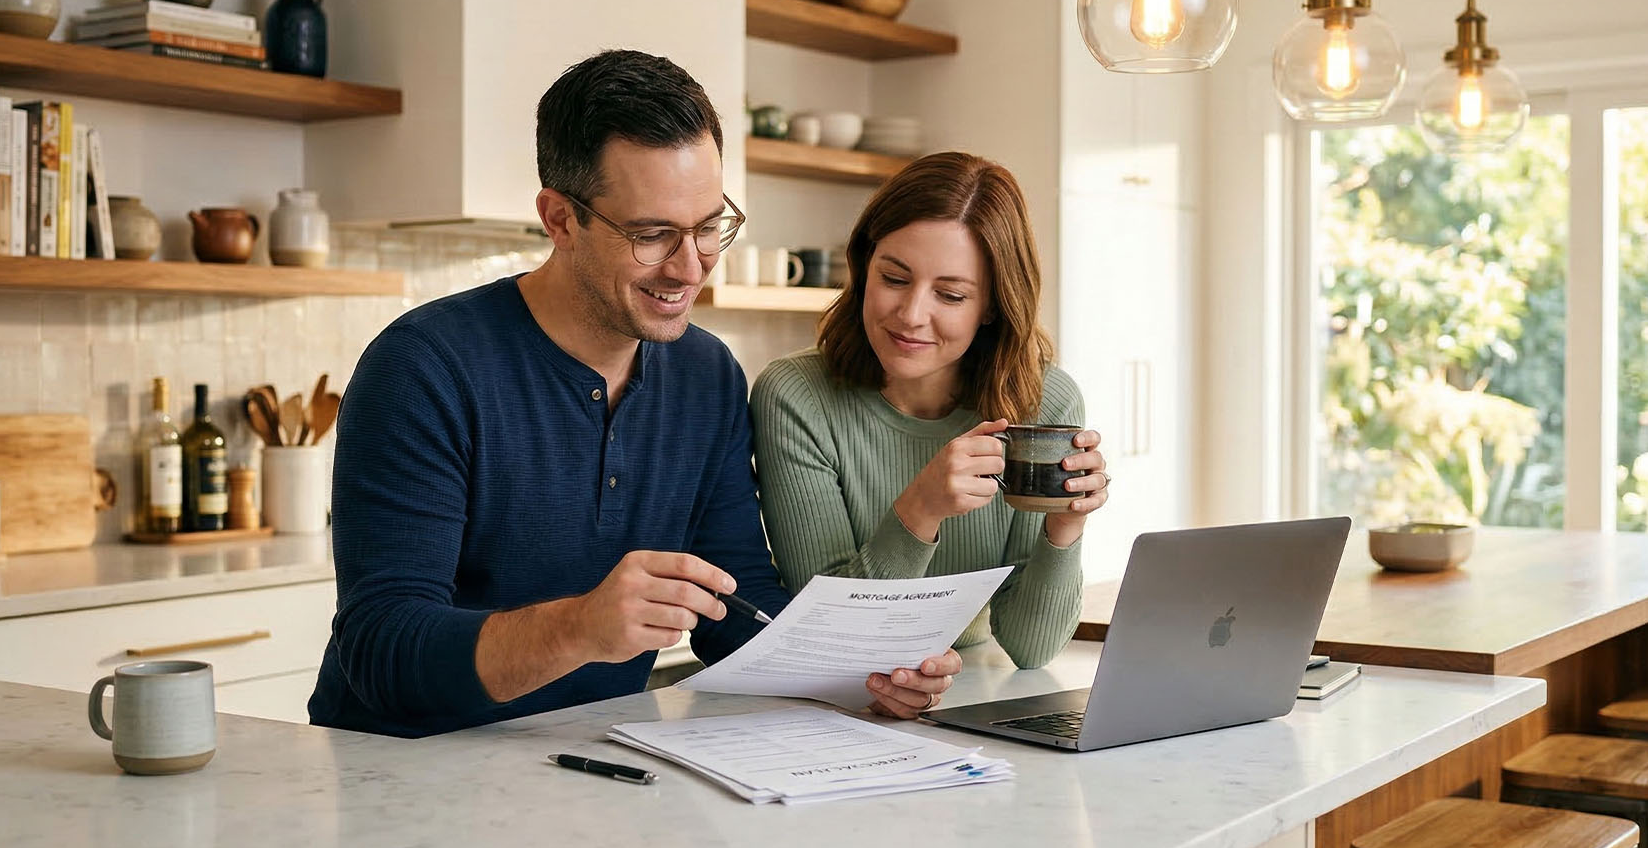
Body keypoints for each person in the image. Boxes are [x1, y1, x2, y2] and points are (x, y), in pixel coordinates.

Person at [308, 50, 958, 737]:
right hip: (402, 779)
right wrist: (578, 627)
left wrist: (861, 677)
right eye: (652, 235)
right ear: (560, 219)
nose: (690, 266)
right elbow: (382, 650)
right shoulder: (423, 368)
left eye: (710, 227)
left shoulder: (706, 375)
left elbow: (734, 605)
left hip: (589, 762)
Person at [751, 151, 1109, 671]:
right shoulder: (797, 397)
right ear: (862, 267)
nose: (912, 315)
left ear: (991, 306)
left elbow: (1031, 650)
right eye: (894, 279)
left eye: (950, 294)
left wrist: (1066, 526)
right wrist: (920, 509)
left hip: (965, 698)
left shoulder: (1045, 401)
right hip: (837, 700)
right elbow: (833, 635)